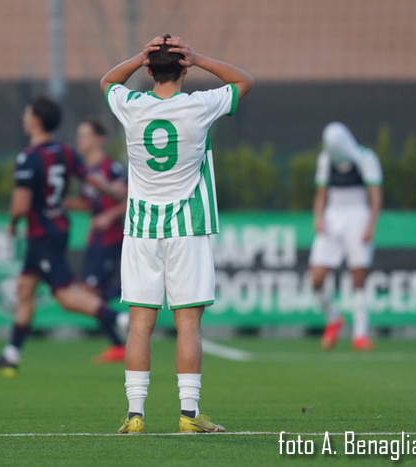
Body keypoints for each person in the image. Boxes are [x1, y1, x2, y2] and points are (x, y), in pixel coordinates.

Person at [100, 34, 254, 433]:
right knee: (188, 325)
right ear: (183, 68)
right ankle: (188, 415)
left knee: (138, 324)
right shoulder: (198, 106)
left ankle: (135, 415)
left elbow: (107, 83)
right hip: (188, 227)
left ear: (149, 70)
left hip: (140, 230)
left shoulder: (131, 106)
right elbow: (243, 82)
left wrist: (138, 56)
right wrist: (200, 57)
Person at [0, 97, 130, 376]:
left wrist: (11, 223)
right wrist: (116, 193)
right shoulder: (65, 152)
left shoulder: (28, 157)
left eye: (27, 113)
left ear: (35, 120)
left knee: (67, 297)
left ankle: (121, 320)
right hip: (54, 230)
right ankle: (11, 355)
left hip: (42, 233)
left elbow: (21, 204)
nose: (24, 118)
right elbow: (93, 181)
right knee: (25, 290)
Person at [309, 122, 383, 351]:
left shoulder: (366, 158)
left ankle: (360, 334)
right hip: (333, 218)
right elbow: (321, 193)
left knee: (358, 276)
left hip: (358, 216)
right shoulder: (325, 160)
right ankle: (333, 318)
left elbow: (375, 194)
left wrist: (371, 225)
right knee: (317, 279)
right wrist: (318, 217)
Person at [65, 117, 127, 302]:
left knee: (91, 292)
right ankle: (118, 320)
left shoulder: (111, 168)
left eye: (86, 135)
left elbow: (131, 197)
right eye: (79, 135)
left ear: (100, 139)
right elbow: (88, 203)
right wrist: (58, 202)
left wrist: (109, 216)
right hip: (96, 239)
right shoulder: (85, 172)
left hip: (111, 238)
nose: (80, 140)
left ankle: (124, 310)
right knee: (93, 293)